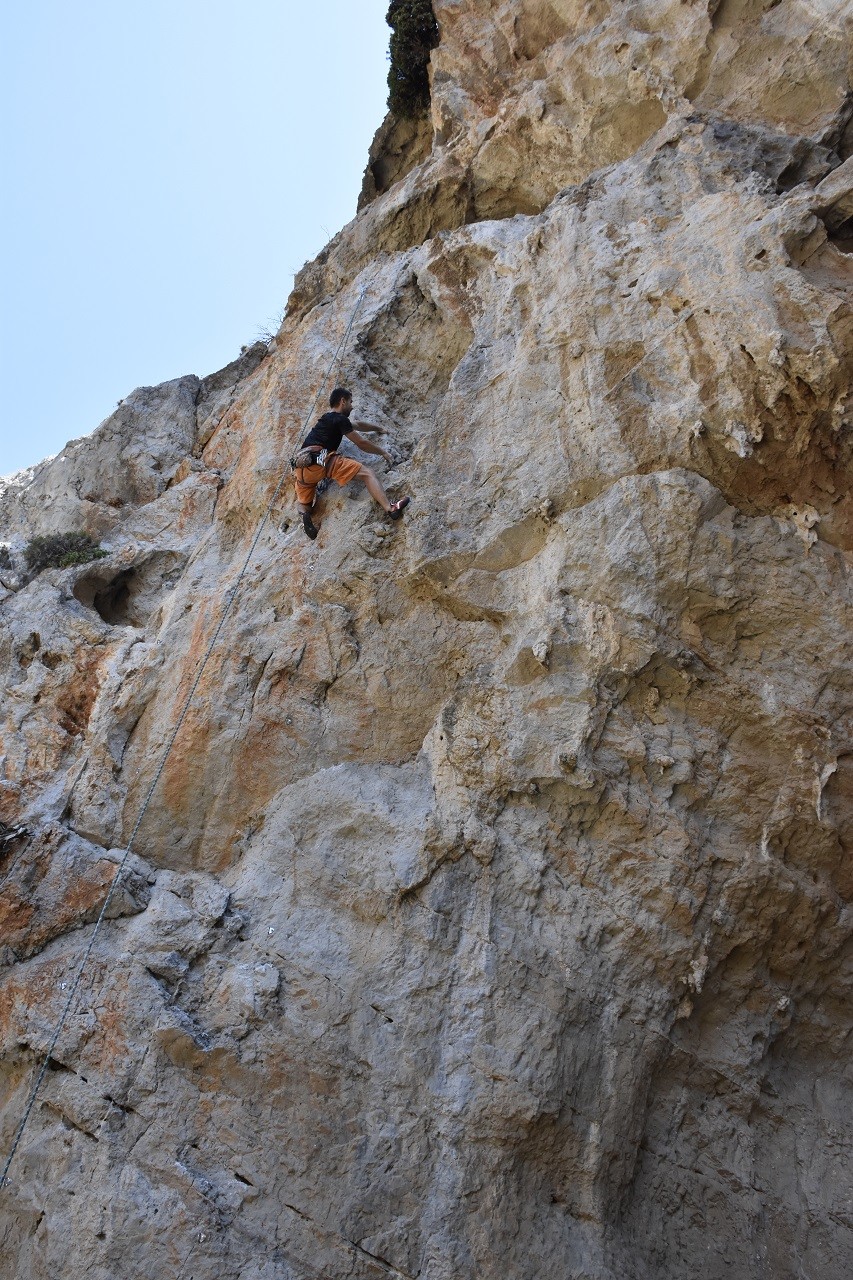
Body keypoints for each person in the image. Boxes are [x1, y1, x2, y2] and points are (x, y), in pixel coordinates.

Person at [293, 387, 410, 539]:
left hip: (302, 467)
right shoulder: (340, 419)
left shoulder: (328, 419)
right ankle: (390, 508)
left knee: (303, 503)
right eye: (350, 402)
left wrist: (379, 428)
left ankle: (304, 514)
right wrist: (383, 452)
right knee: (368, 474)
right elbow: (361, 443)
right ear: (343, 401)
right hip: (322, 461)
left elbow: (358, 425)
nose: (352, 406)